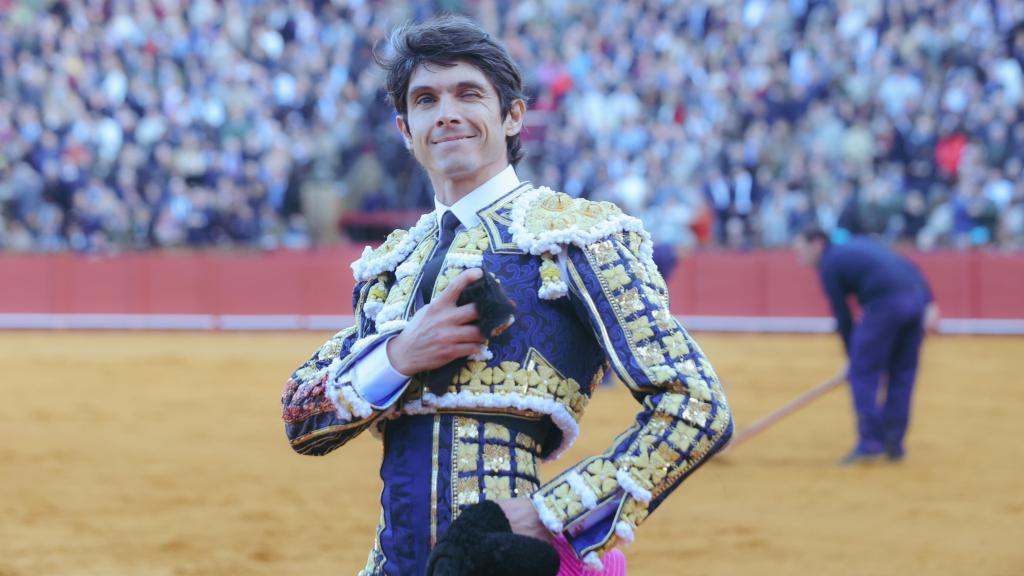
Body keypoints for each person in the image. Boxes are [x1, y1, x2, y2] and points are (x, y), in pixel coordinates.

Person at [280, 15, 733, 575]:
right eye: (425, 100)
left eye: (468, 94)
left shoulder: (576, 236)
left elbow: (696, 403)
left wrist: (555, 514)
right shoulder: (392, 264)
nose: (446, 112)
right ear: (405, 129)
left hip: (509, 561)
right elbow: (301, 417)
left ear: (513, 115)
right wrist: (400, 356)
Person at [794, 226, 939, 464]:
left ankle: (871, 443)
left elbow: (843, 316)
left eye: (801, 250)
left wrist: (854, 361)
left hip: (886, 305)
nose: (799, 258)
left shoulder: (829, 264)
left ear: (817, 243)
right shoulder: (859, 245)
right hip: (915, 302)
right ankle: (894, 443)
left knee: (863, 374)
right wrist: (930, 302)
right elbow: (911, 267)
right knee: (903, 373)